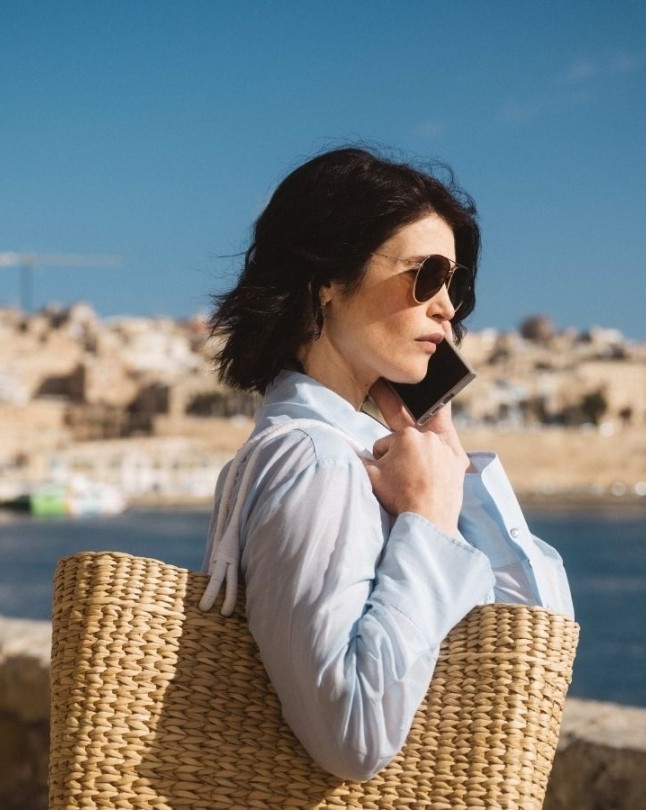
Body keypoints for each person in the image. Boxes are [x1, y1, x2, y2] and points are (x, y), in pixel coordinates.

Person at [201, 146, 574, 782]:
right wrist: (427, 523)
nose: (447, 307)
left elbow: (533, 645)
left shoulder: (354, 456)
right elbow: (353, 735)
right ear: (326, 280)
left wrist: (451, 472)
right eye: (425, 275)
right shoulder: (314, 460)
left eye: (454, 284)